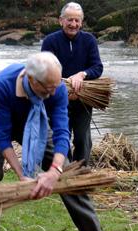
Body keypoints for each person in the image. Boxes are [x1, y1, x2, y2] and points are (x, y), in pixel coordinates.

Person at [0, 51, 103, 231]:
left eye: (55, 87)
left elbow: (62, 133)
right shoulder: (3, 84)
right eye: (47, 90)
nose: (53, 93)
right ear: (31, 79)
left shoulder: (57, 87)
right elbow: (2, 136)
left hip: (36, 119)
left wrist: (55, 171)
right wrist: (22, 175)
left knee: (67, 173)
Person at [41, 2, 103, 166]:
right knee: (62, 137)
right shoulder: (50, 41)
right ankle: (66, 171)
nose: (73, 24)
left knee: (82, 138)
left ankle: (81, 171)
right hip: (57, 100)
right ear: (61, 20)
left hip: (84, 99)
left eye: (77, 20)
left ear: (81, 22)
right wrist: (64, 90)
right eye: (69, 20)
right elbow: (45, 69)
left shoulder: (89, 40)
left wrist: (82, 74)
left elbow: (97, 67)